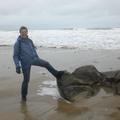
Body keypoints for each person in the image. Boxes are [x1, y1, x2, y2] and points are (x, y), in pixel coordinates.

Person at [13, 26, 64, 101]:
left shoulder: (30, 41)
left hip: (34, 59)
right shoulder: (18, 43)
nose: (24, 33)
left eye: (25, 32)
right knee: (26, 80)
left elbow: (33, 50)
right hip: (25, 63)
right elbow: (15, 56)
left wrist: (37, 58)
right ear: (20, 33)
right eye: (22, 32)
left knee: (46, 63)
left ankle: (56, 74)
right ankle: (23, 96)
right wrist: (17, 66)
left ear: (27, 32)